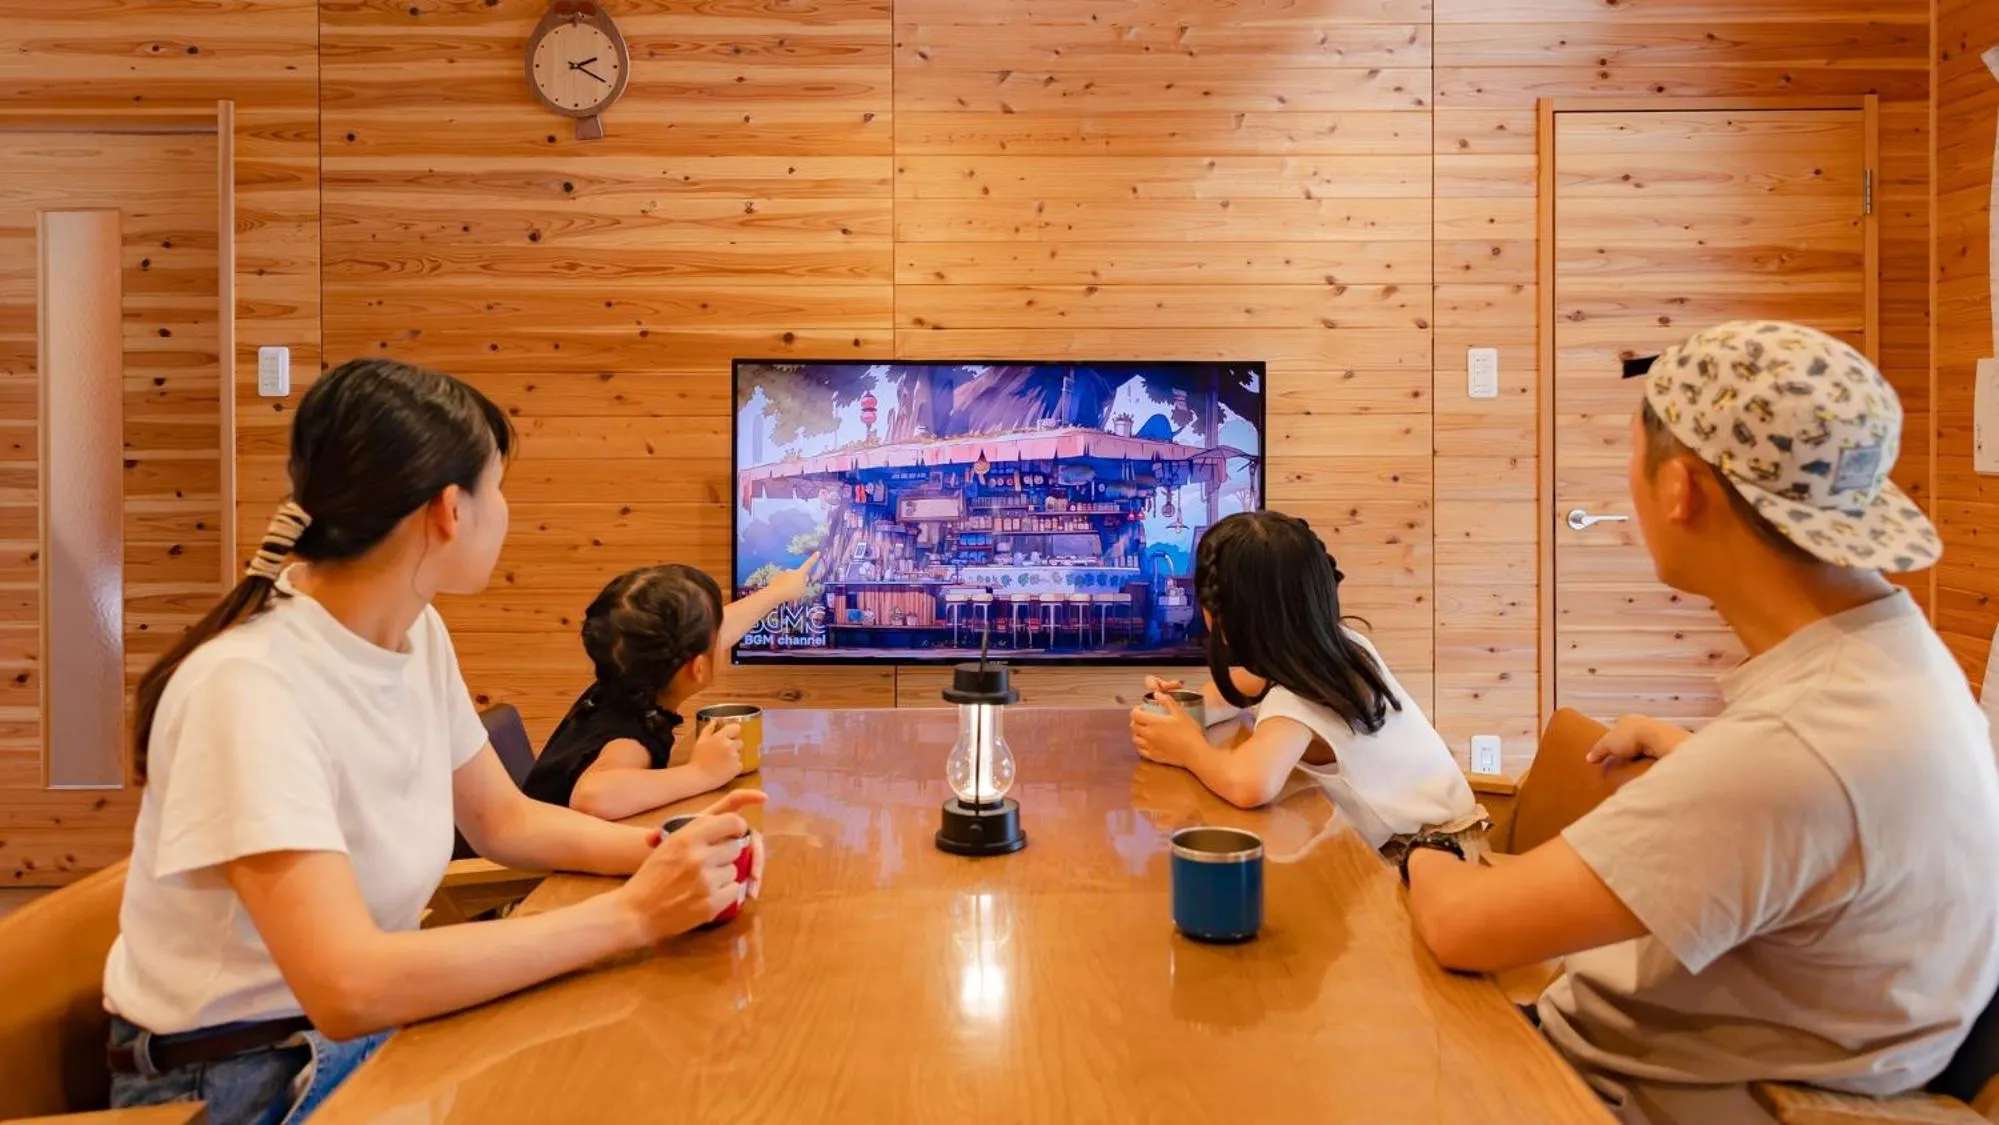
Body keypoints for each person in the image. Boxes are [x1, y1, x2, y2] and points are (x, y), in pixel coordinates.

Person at [102, 358, 764, 1125]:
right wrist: (631, 917)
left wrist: (673, 854)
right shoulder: (246, 686)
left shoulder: (415, 631)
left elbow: (503, 821)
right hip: (253, 1076)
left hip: (360, 1034)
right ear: (451, 509)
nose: (504, 510)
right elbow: (348, 984)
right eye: (499, 487)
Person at [1403, 321, 1999, 1125]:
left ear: (1680, 488)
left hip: (1600, 1095)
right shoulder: (1897, 656)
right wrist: (1697, 757)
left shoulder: (1793, 749)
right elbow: (1824, 816)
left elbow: (1460, 925)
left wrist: (1422, 853)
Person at [1128, 510, 1482, 854]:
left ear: (1217, 614)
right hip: (1459, 840)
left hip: (1428, 863)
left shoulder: (1299, 700)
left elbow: (1250, 784)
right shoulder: (1338, 648)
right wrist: (1184, 710)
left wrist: (1189, 748)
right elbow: (1235, 690)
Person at [522, 556, 818, 819]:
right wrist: (701, 773)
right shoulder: (629, 738)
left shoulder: (627, 679)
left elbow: (706, 636)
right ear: (698, 668)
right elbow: (592, 797)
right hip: (540, 879)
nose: (723, 636)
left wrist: (779, 591)